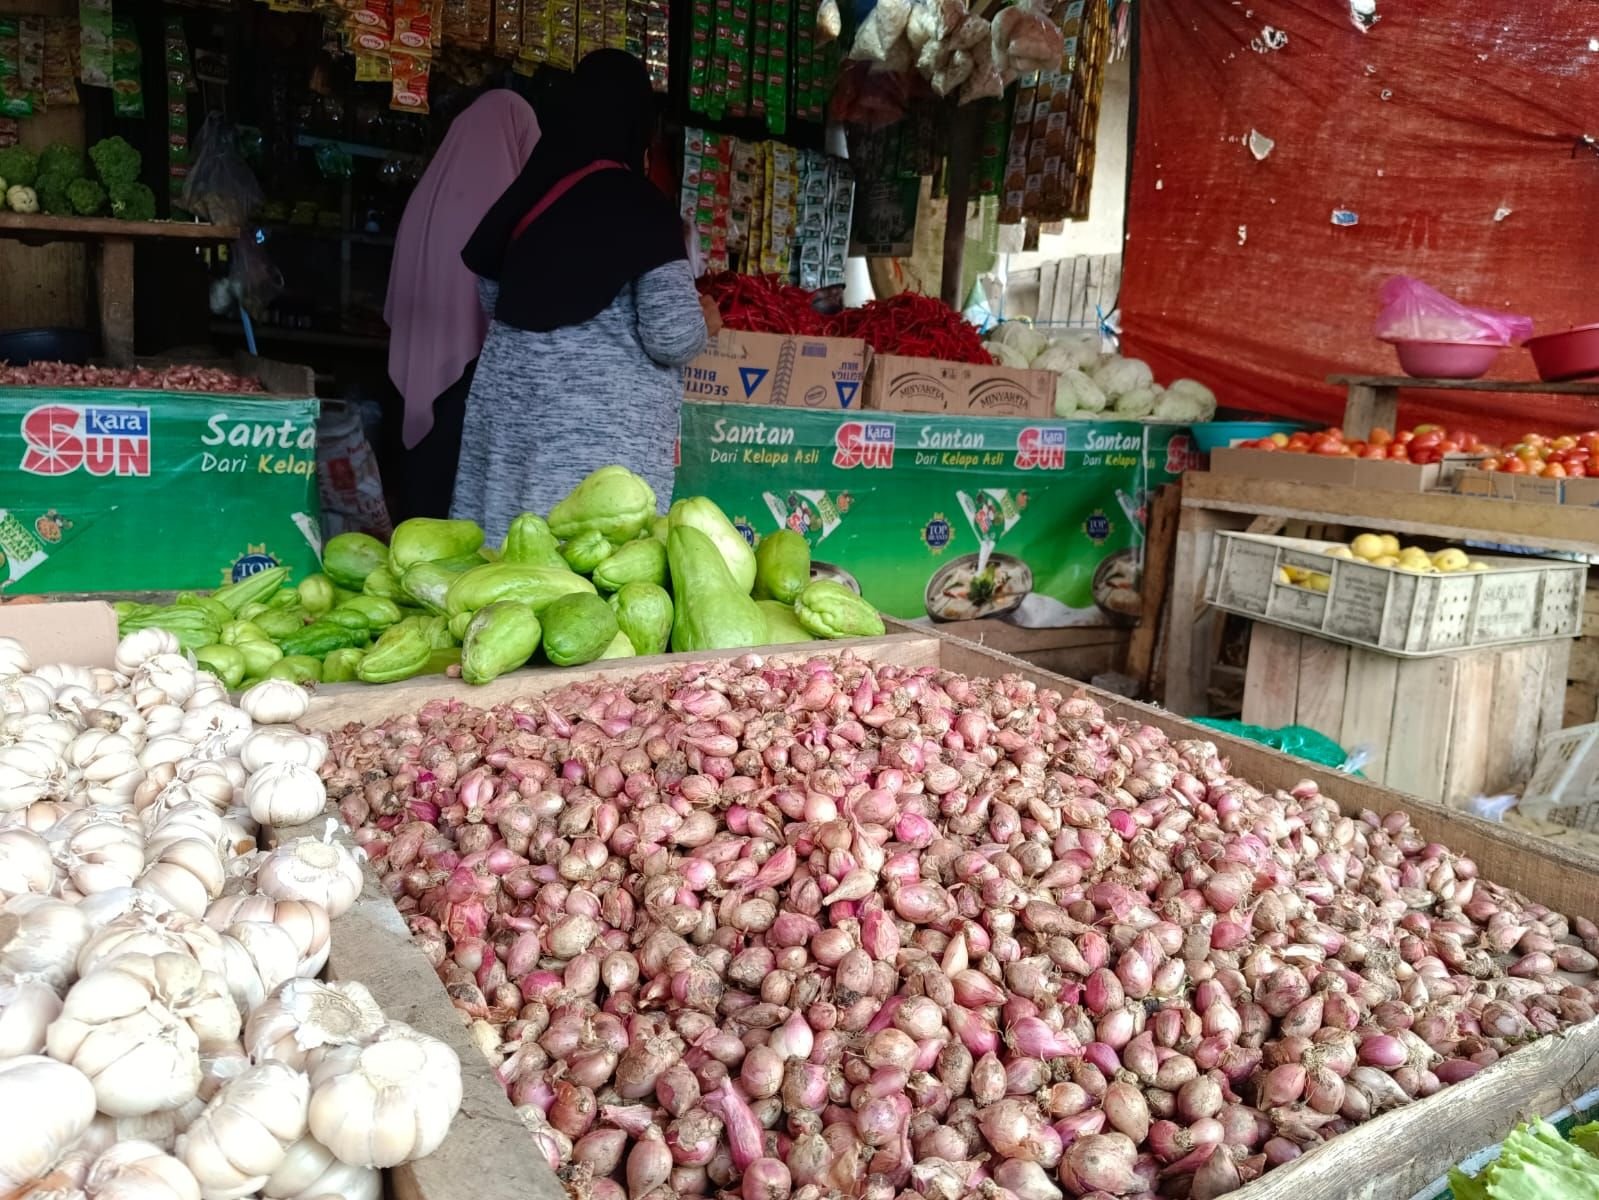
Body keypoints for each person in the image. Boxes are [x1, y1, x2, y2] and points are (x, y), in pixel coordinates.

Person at [453, 50, 710, 543]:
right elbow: (672, 337)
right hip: (598, 429)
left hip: (513, 404)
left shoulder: (527, 192)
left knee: (508, 560)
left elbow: (493, 297)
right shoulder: (641, 207)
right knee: (586, 568)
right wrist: (707, 323)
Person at [385, 89, 539, 520]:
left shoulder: (428, 192)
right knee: (451, 508)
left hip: (416, 362)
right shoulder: (503, 206)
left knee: (419, 490)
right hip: (468, 372)